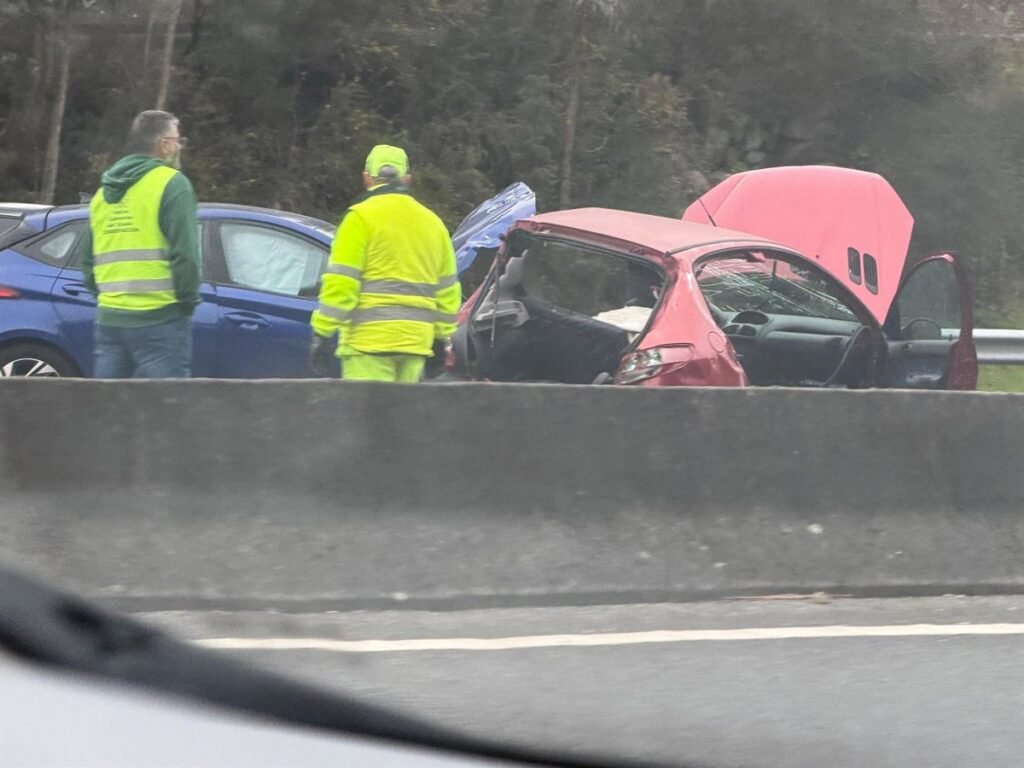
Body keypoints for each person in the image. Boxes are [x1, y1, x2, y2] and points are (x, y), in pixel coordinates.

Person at [309, 144, 460, 382]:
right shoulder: (434, 224)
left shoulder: (359, 218)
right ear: (407, 179)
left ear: (367, 178)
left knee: (368, 419)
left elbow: (341, 283)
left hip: (368, 343)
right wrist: (442, 338)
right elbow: (448, 291)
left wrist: (323, 332)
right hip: (414, 346)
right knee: (402, 418)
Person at [81, 110, 200, 378]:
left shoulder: (102, 194)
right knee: (162, 410)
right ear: (164, 144)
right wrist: (187, 303)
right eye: (178, 141)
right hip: (160, 318)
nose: (179, 147)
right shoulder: (172, 184)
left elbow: (87, 261)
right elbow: (187, 256)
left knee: (110, 408)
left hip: (110, 319)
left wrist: (106, 299)